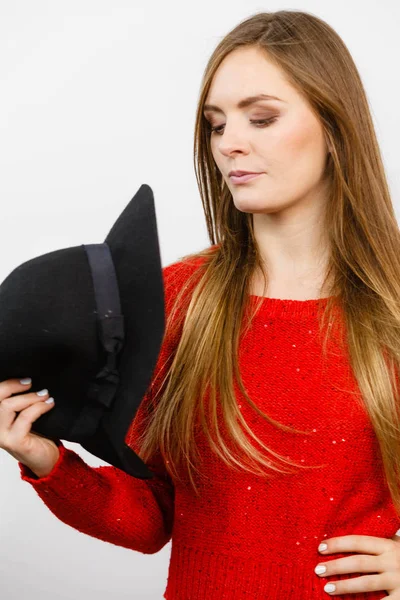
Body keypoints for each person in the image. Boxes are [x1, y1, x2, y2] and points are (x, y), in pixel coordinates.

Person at [1, 10, 400, 599]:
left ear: (335, 129)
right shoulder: (178, 298)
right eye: (216, 125)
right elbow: (150, 519)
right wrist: (45, 460)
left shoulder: (390, 305)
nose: (230, 144)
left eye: (261, 118)